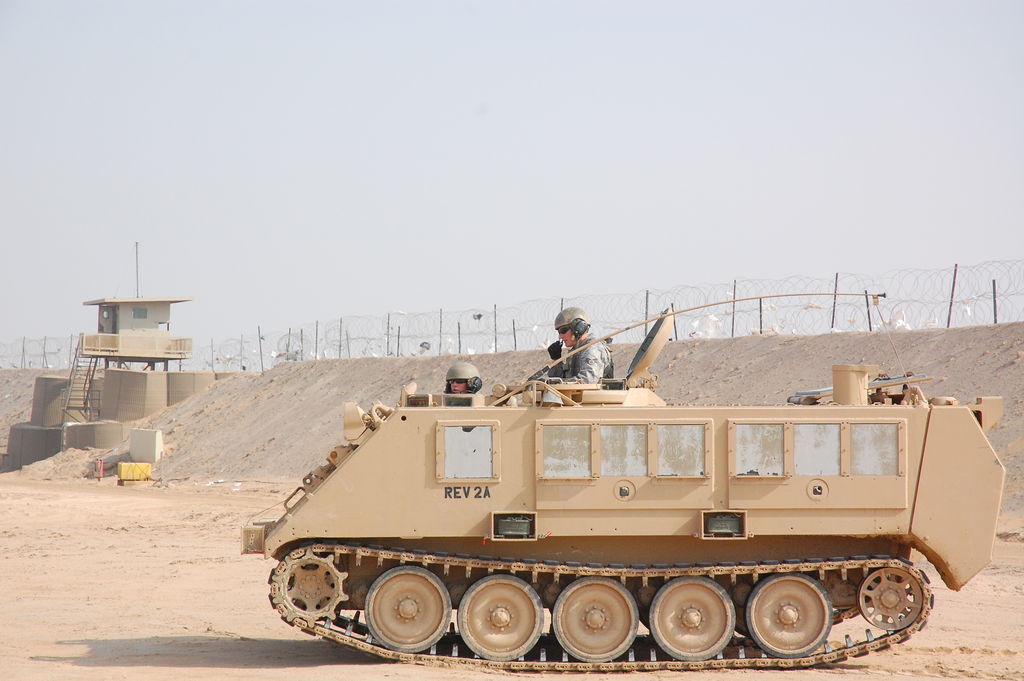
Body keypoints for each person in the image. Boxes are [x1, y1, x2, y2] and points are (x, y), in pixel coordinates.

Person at [547, 307, 613, 383]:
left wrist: (558, 383)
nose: (561, 336)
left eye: (563, 330)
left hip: (593, 394)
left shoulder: (593, 349)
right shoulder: (577, 350)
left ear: (578, 328)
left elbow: (587, 381)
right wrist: (557, 361)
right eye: (559, 332)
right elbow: (562, 379)